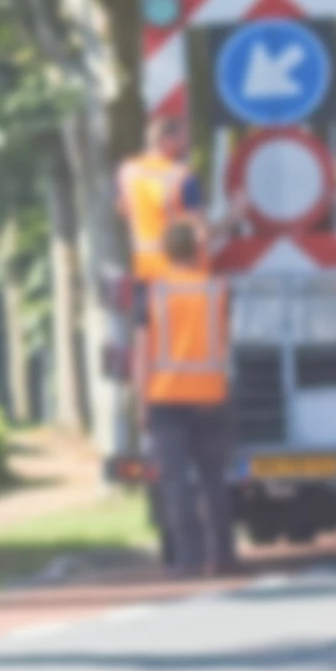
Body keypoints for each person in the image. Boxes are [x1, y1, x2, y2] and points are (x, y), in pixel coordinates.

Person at [122, 150, 242, 576]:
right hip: (211, 396)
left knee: (177, 483)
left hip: (167, 398)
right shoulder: (217, 290)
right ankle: (224, 555)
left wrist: (139, 403)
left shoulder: (151, 295)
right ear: (198, 248)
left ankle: (188, 560)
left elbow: (142, 354)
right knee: (214, 481)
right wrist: (233, 216)